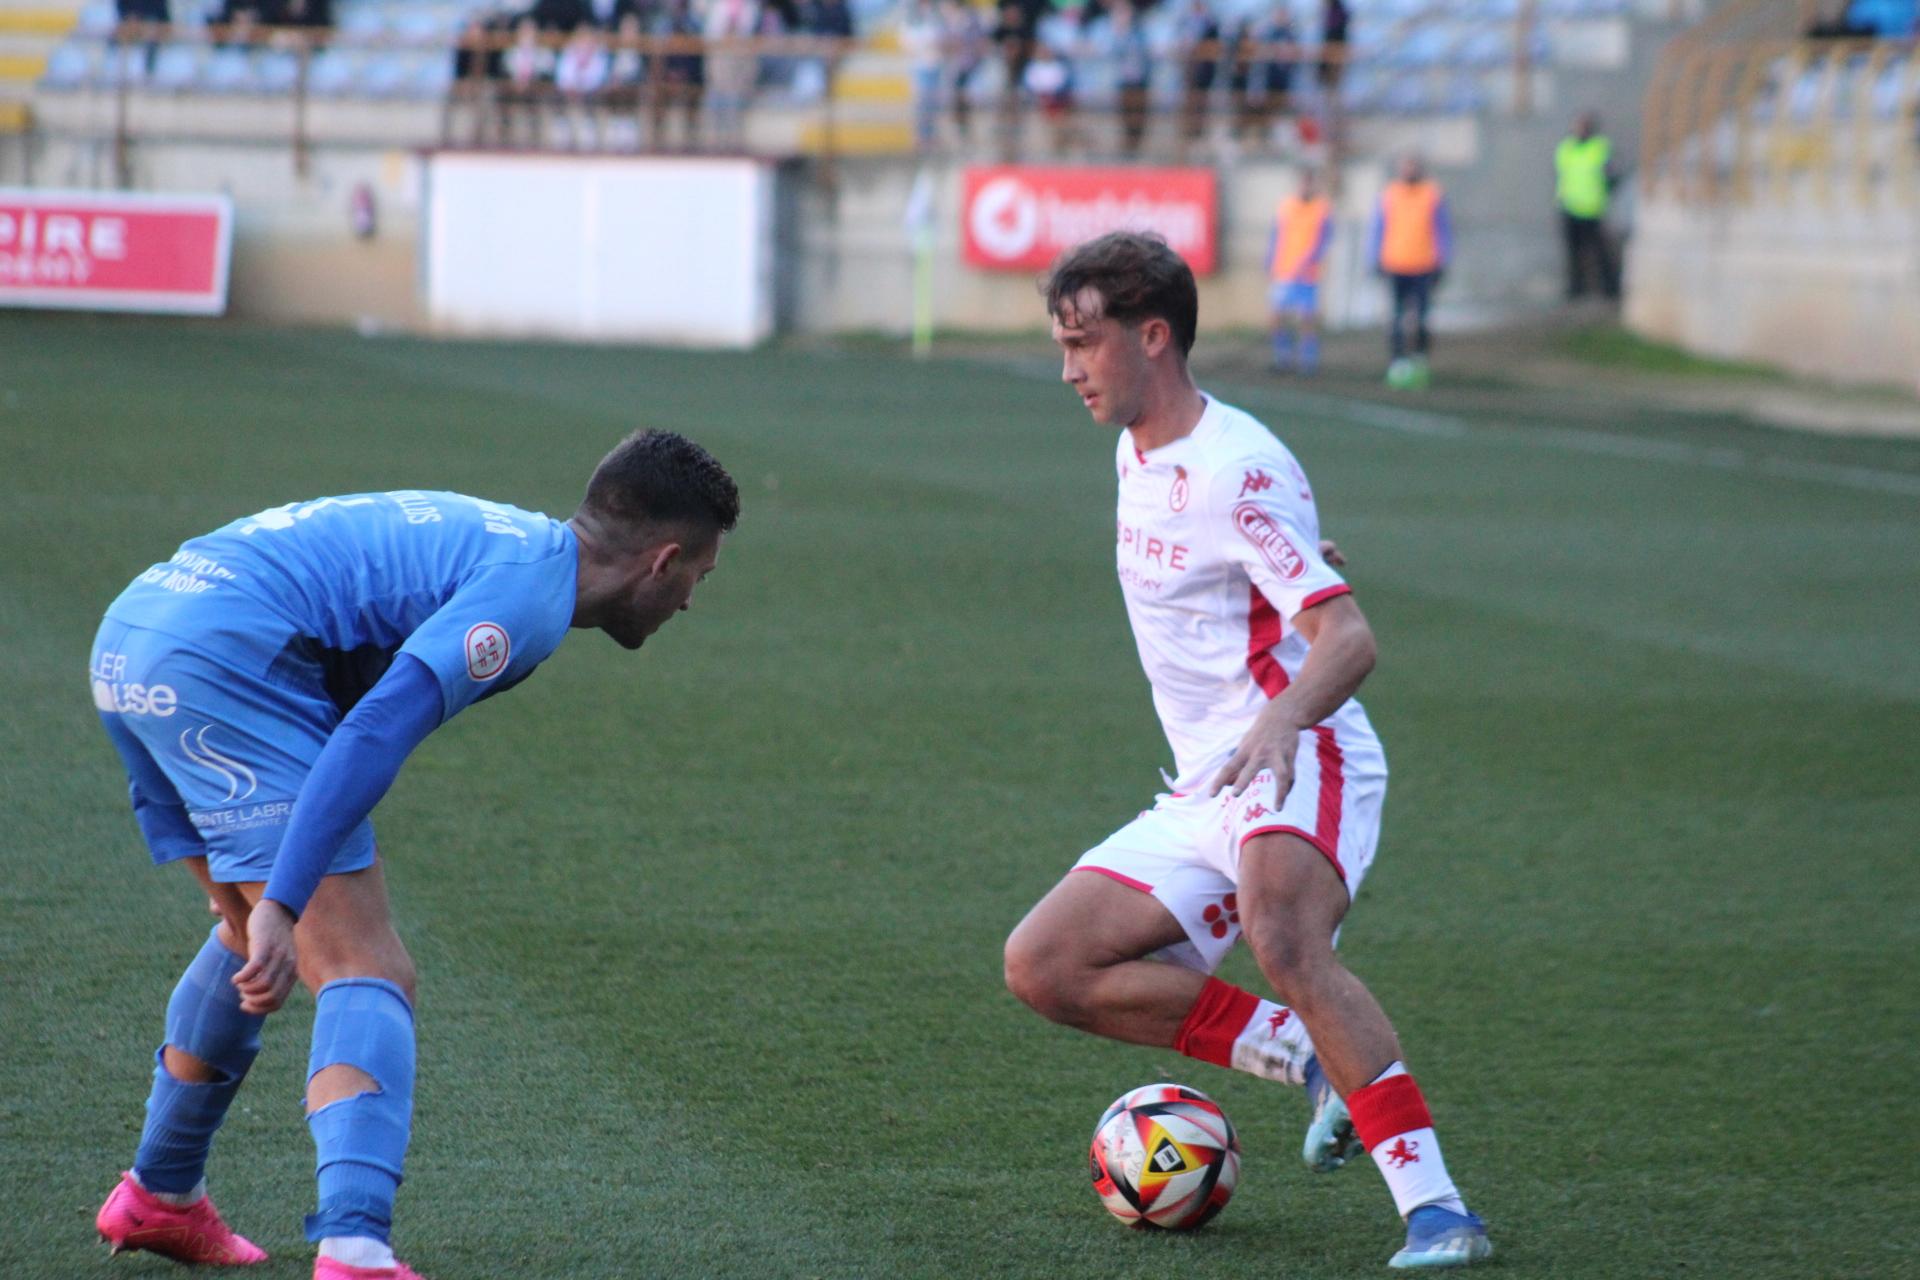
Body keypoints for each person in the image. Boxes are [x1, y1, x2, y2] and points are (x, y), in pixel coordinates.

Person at [89, 431, 740, 1280]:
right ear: (663, 561)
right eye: (700, 575)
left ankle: (159, 1195)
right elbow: (372, 731)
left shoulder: (509, 543)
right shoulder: (526, 602)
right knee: (366, 965)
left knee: (246, 929)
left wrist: (269, 905)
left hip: (137, 633)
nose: (691, 600)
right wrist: (288, 898)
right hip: (223, 655)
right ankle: (354, 1251)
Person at [1005, 231, 1491, 1270]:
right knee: (1046, 965)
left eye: (1084, 344)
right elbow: (1259, 563)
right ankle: (1303, 1052)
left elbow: (1348, 636)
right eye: (1062, 344)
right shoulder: (1136, 449)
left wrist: (1280, 717)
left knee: (1283, 929)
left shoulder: (1240, 465)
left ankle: (1439, 1209)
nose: (1069, 368)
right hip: (1206, 784)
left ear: (1153, 335)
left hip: (1299, 752)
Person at [1368, 153, 1450, 389]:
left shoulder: (1432, 194)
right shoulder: (1389, 194)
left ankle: (1420, 362)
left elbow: (1442, 229)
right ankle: (1397, 363)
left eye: (1412, 166)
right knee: (1396, 317)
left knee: (1422, 318)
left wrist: (1442, 259)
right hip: (1395, 263)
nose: (1408, 171)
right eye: (1404, 166)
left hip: (1424, 264)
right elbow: (1379, 228)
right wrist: (1375, 258)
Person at [1267, 169, 1332, 374]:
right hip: (1283, 270)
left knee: (1306, 317)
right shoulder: (1286, 207)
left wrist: (1309, 260)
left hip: (1308, 274)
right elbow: (1277, 236)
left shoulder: (1322, 209)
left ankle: (1308, 361)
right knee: (1277, 315)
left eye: (1309, 183)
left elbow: (1324, 241)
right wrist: (1270, 261)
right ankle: (1282, 357)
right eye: (1303, 183)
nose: (1306, 187)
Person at [1555, 110, 1620, 301]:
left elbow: (1612, 176)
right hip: (1569, 207)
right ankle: (1576, 290)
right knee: (1573, 254)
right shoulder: (1566, 148)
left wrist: (1606, 195)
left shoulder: (1600, 148)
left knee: (1600, 253)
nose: (1579, 130)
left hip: (1593, 209)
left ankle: (1610, 290)